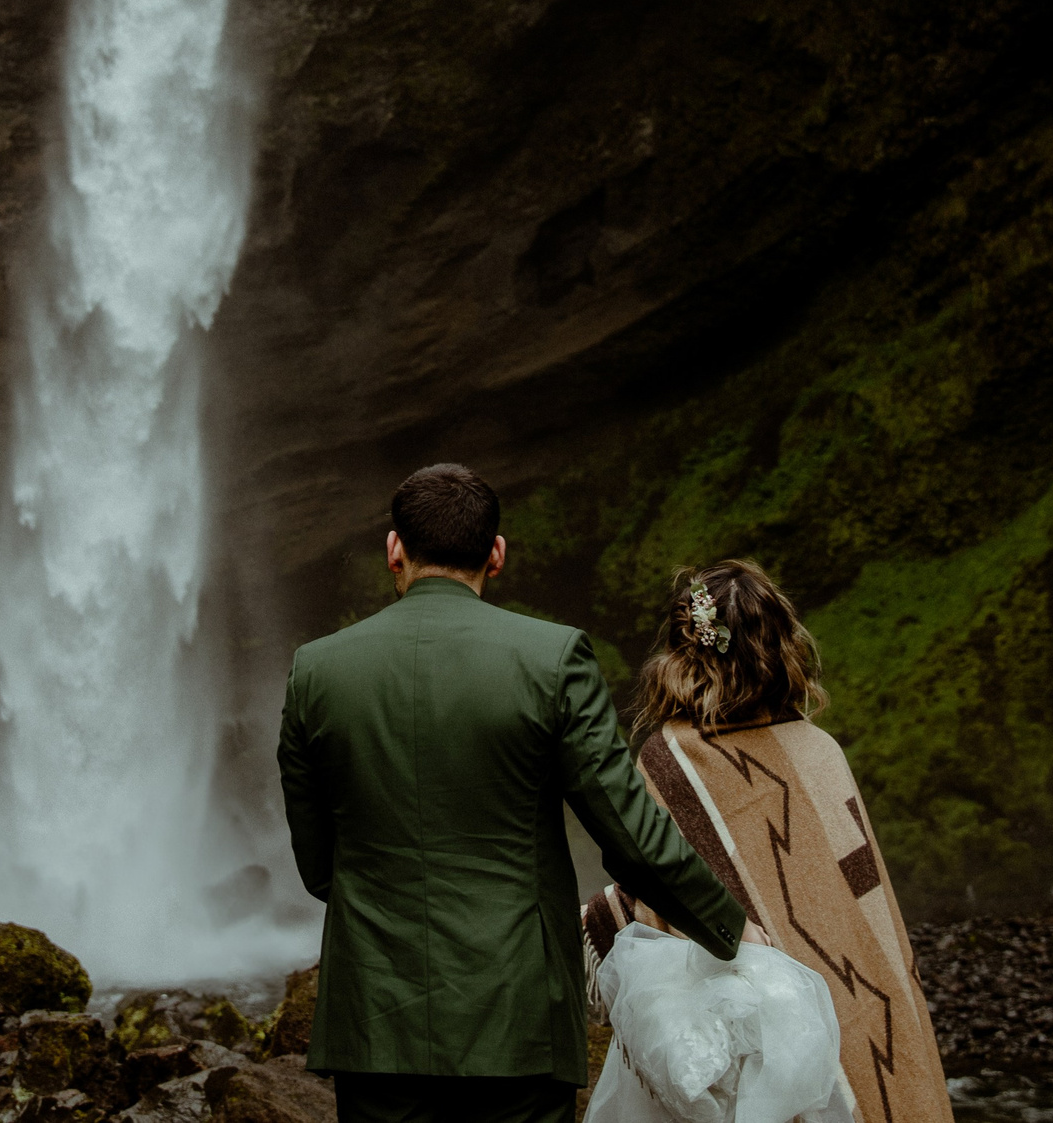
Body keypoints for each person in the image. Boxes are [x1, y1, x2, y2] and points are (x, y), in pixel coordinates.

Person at [278, 464, 753, 1123]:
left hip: (374, 1020)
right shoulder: (553, 658)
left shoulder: (316, 669)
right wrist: (732, 928)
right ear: (496, 554)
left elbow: (317, 864)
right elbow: (630, 834)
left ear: (394, 549)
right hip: (516, 1015)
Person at [580, 561, 951, 1123]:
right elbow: (867, 928)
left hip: (740, 1039)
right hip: (848, 1022)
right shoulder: (820, 749)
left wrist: (595, 920)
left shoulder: (669, 755)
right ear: (781, 645)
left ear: (685, 652)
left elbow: (659, 890)